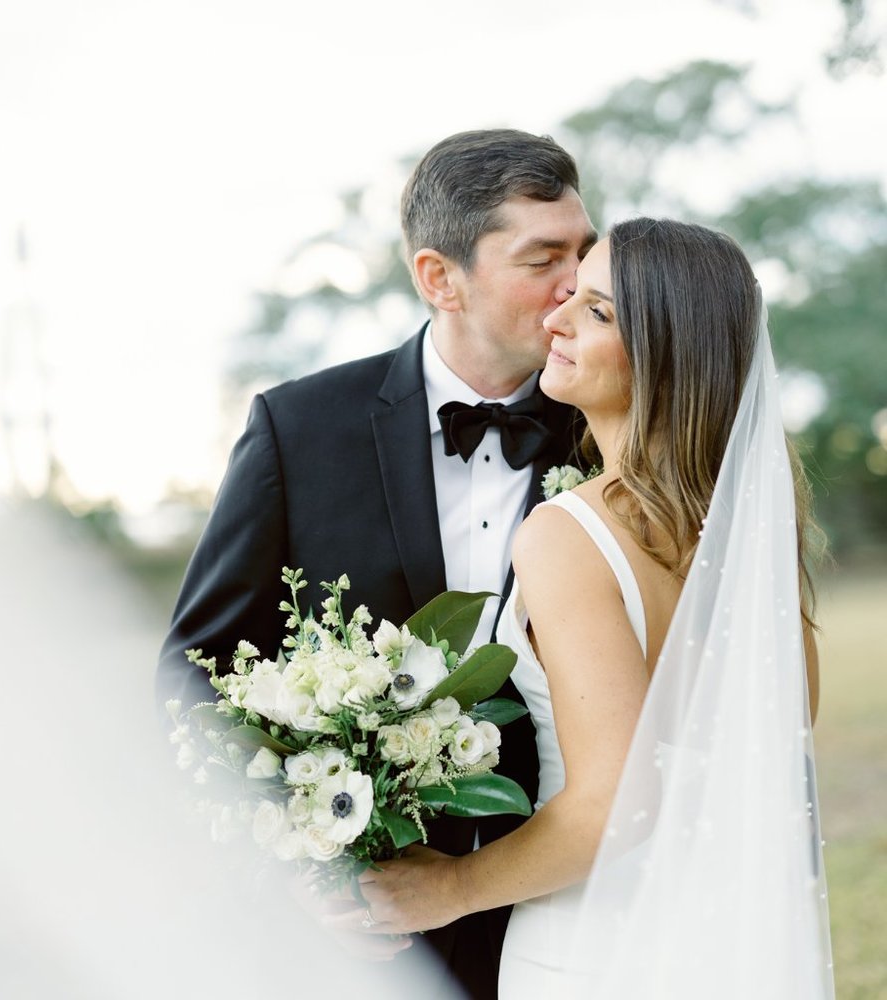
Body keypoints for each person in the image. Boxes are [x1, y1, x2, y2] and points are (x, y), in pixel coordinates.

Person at [157, 129, 598, 998]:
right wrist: (295, 865)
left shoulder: (610, 428)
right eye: (543, 258)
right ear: (440, 277)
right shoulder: (301, 429)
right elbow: (193, 674)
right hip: (359, 934)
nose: (576, 285)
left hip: (570, 905)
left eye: (583, 252)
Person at [355, 219, 835, 999]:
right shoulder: (749, 536)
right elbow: (781, 743)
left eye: (598, 312)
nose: (557, 318)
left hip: (599, 946)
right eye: (571, 296)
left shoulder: (568, 535)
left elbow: (617, 802)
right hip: (728, 942)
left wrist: (450, 888)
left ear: (668, 354)